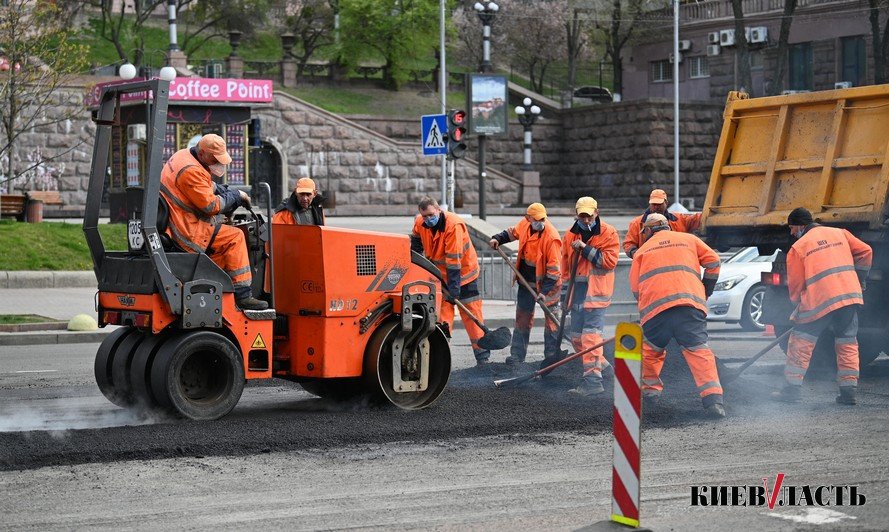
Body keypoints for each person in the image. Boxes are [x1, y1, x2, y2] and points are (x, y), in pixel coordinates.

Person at [628, 213, 725, 418]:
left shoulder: (642, 251)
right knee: (698, 350)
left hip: (656, 311)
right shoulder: (689, 239)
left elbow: (635, 289)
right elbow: (714, 261)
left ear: (647, 231)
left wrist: (645, 311)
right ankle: (713, 400)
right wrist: (706, 288)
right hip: (689, 305)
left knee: (650, 351)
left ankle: (650, 396)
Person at [773, 207, 873, 405]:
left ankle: (791, 390)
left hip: (819, 301)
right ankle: (848, 392)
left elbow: (796, 283)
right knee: (847, 343)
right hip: (848, 297)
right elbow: (866, 251)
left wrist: (797, 303)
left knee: (801, 342)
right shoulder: (841, 233)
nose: (792, 233)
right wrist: (860, 278)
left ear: (800, 225)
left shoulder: (799, 247)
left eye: (792, 228)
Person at [160, 134, 268, 311]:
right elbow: (211, 206)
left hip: (178, 220)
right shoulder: (190, 170)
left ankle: (216, 287)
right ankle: (243, 295)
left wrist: (226, 190)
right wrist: (235, 196)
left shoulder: (183, 156)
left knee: (221, 242)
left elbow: (204, 185)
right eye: (215, 159)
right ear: (202, 153)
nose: (218, 163)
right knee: (235, 237)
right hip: (187, 230)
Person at [410, 197, 490, 365]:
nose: (427, 219)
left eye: (431, 215)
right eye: (424, 216)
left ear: (439, 210)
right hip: (440, 276)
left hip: (464, 275)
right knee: (441, 316)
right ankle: (440, 358)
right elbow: (416, 243)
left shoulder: (453, 226)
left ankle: (483, 357)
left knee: (471, 313)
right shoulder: (420, 222)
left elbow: (454, 261)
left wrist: (454, 291)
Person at [489, 203, 562, 365]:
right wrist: (497, 239)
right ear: (528, 218)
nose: (540, 222)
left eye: (543, 219)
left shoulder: (552, 237)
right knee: (522, 318)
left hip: (548, 286)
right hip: (526, 282)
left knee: (551, 321)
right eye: (536, 219)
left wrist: (544, 291)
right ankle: (517, 355)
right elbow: (510, 233)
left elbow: (554, 271)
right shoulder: (524, 225)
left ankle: (551, 356)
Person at [562, 197, 620, 396]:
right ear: (576, 214)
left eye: (589, 215)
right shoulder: (569, 236)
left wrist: (585, 249)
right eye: (582, 216)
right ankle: (604, 368)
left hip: (597, 293)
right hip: (577, 293)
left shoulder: (608, 233)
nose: (586, 220)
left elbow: (608, 262)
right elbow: (565, 268)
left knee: (590, 336)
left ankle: (593, 381)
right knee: (577, 338)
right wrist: (564, 298)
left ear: (597, 212)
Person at [623, 189, 702, 259]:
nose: (656, 207)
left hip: (675, 260)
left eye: (659, 204)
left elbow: (695, 219)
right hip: (649, 262)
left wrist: (707, 213)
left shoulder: (678, 219)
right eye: (654, 204)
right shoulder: (636, 223)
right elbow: (629, 244)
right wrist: (639, 256)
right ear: (649, 204)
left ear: (666, 203)